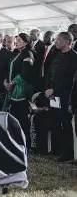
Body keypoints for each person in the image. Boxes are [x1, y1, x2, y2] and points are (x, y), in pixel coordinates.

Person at [45, 32, 77, 162]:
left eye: (59, 40)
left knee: (66, 123)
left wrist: (54, 89)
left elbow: (69, 78)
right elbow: (49, 72)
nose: (56, 42)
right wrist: (48, 88)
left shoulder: (73, 57)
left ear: (68, 41)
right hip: (53, 95)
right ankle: (58, 149)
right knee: (56, 121)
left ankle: (68, 153)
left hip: (65, 95)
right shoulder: (57, 55)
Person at [3, 33, 35, 149]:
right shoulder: (17, 53)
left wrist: (12, 83)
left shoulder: (28, 54)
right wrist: (6, 81)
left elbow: (25, 73)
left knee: (21, 118)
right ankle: (14, 142)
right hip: (13, 88)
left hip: (21, 90)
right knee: (14, 117)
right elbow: (9, 69)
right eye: (16, 40)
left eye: (19, 40)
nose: (17, 42)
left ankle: (25, 144)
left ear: (26, 43)